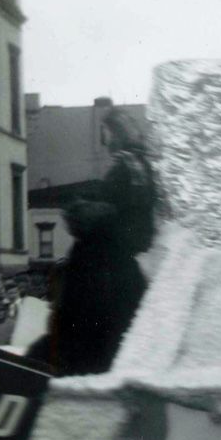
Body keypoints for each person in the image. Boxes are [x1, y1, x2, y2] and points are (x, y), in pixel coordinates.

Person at [28, 108, 159, 375]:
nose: (105, 141)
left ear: (116, 135)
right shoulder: (141, 166)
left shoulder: (126, 167)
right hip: (120, 259)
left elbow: (118, 209)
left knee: (82, 319)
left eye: (107, 134)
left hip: (104, 259)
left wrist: (86, 211)